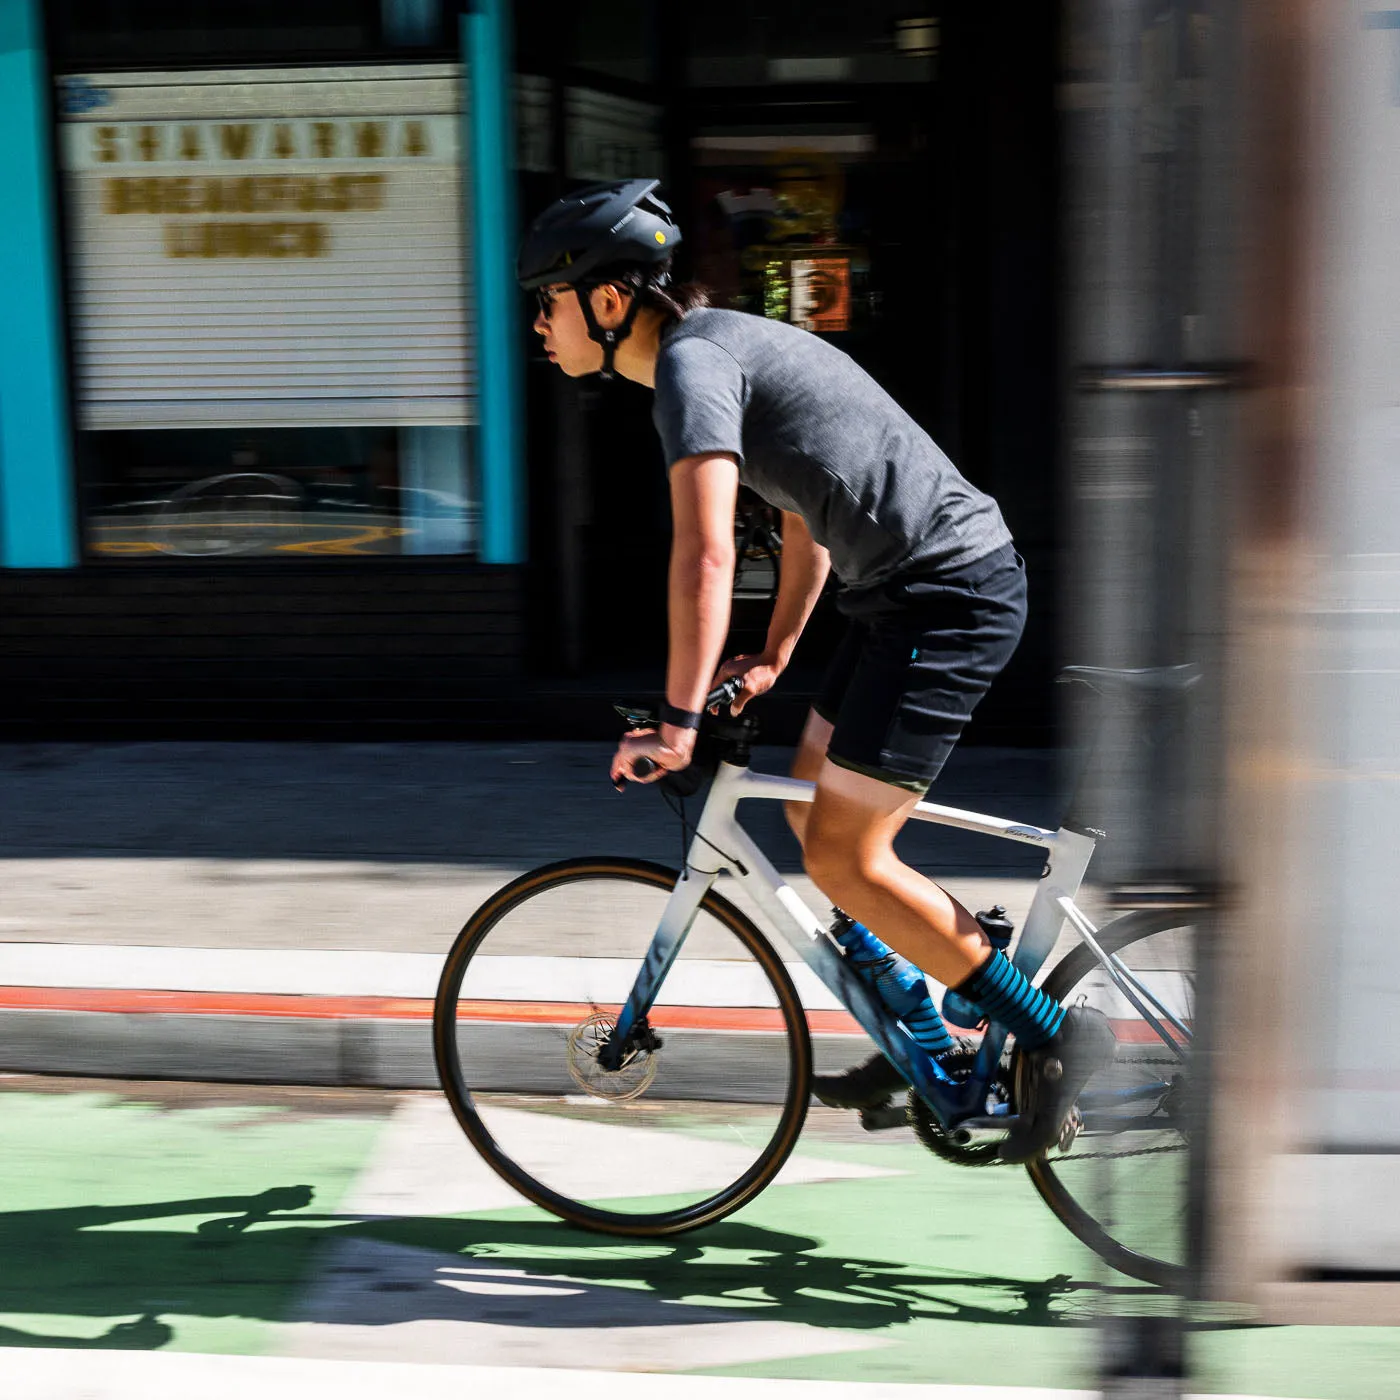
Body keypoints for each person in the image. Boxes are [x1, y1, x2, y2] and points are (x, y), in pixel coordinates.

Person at [517, 178, 1113, 1163]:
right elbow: (801, 511)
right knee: (806, 810)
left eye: (547, 298)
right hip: (900, 599)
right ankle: (914, 1029)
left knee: (846, 855)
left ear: (607, 299)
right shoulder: (720, 351)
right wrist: (776, 653)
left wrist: (675, 719)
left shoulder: (689, 370)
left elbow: (704, 554)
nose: (538, 322)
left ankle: (1054, 1036)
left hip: (947, 594)